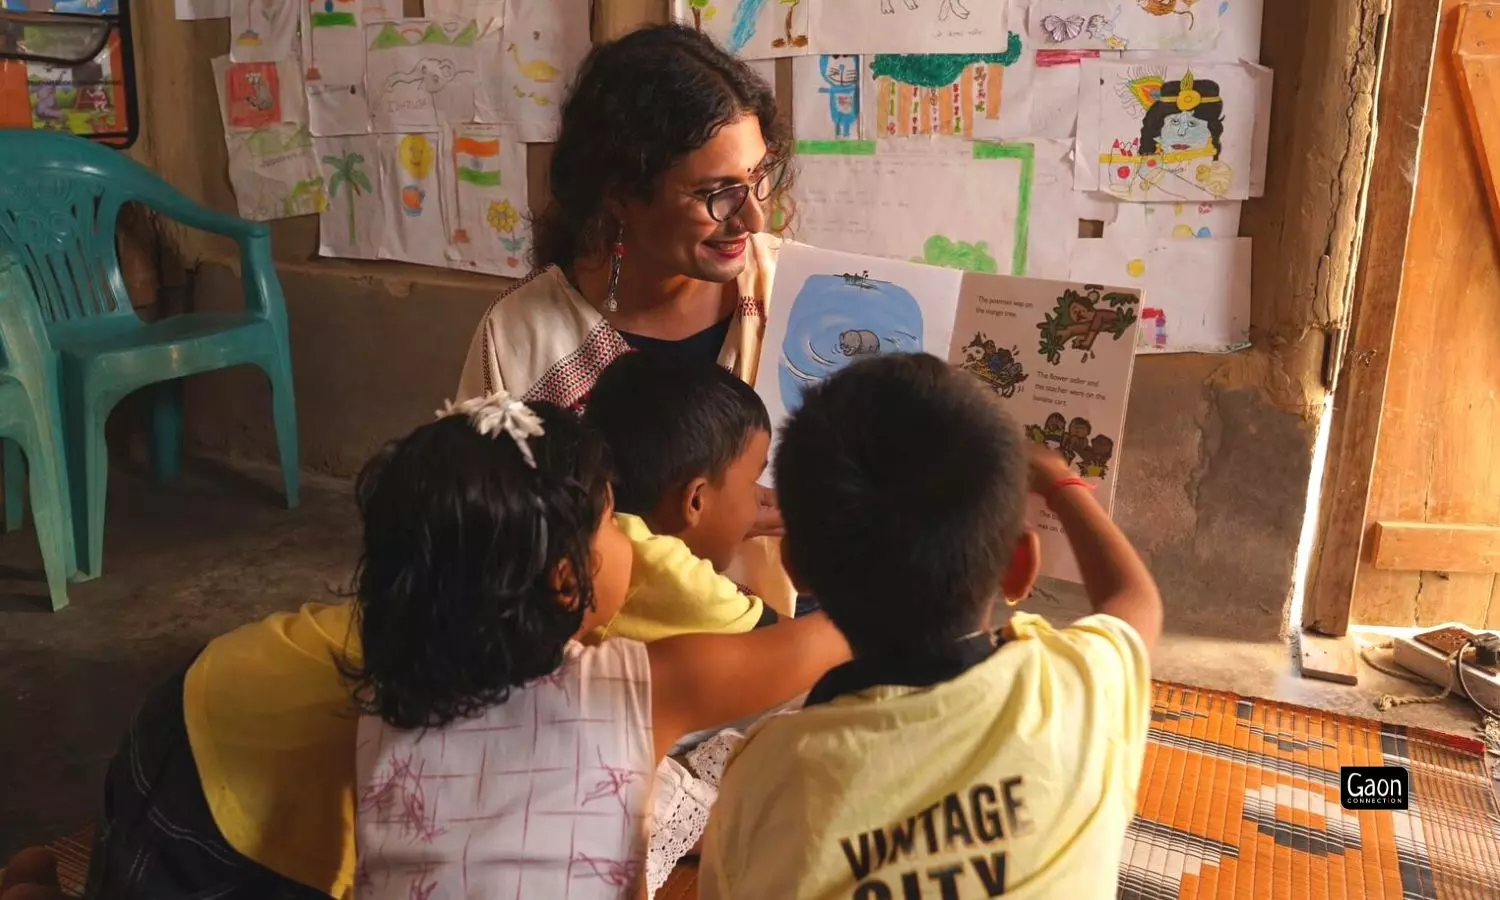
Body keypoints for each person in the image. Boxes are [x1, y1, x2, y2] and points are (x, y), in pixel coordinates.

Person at [699, 354, 1163, 899]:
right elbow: (1135, 601)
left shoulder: (771, 772)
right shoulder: (1077, 691)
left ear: (796, 567)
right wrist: (1058, 480)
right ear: (1020, 566)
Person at [350, 393, 850, 899]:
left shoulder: (387, 695)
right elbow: (830, 641)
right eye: (612, 521)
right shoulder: (633, 689)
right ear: (566, 582)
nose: (629, 537)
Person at [453, 22, 795, 613]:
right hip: (594, 665)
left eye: (758, 178)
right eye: (717, 194)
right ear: (619, 196)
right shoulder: (521, 339)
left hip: (780, 646)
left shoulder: (791, 294)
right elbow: (481, 544)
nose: (754, 220)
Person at [581, 352, 776, 643]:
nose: (757, 500)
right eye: (752, 483)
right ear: (695, 500)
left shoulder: (594, 521)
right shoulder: (662, 570)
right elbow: (791, 643)